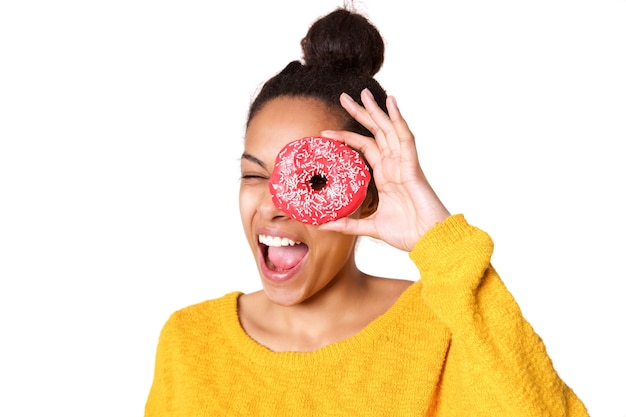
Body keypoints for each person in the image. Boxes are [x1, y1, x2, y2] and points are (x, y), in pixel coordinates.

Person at [144, 7, 588, 416]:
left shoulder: (445, 325)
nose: (273, 205)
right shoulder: (189, 342)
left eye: (312, 181)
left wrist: (438, 241)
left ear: (368, 194)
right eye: (255, 176)